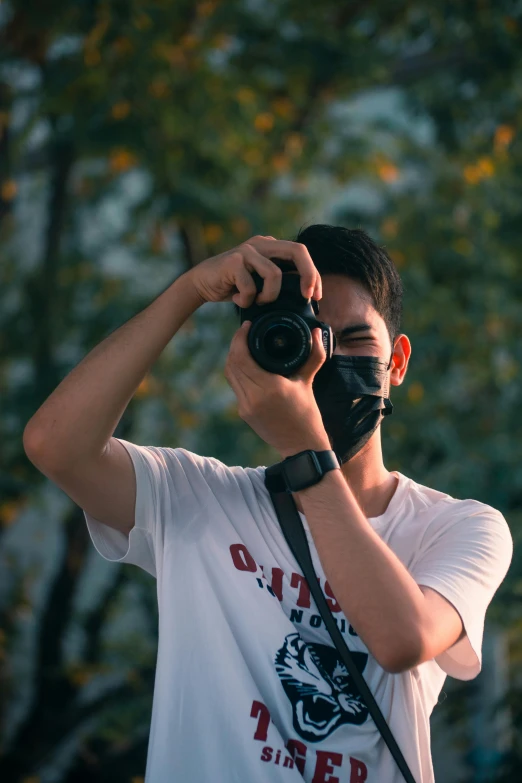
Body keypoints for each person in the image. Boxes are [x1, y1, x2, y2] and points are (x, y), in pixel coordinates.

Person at [23, 226, 513, 783]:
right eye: (308, 338)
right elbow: (54, 445)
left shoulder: (459, 526)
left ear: (397, 362)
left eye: (353, 341)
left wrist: (306, 452)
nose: (325, 361)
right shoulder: (198, 500)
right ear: (257, 354)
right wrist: (187, 290)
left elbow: (403, 638)